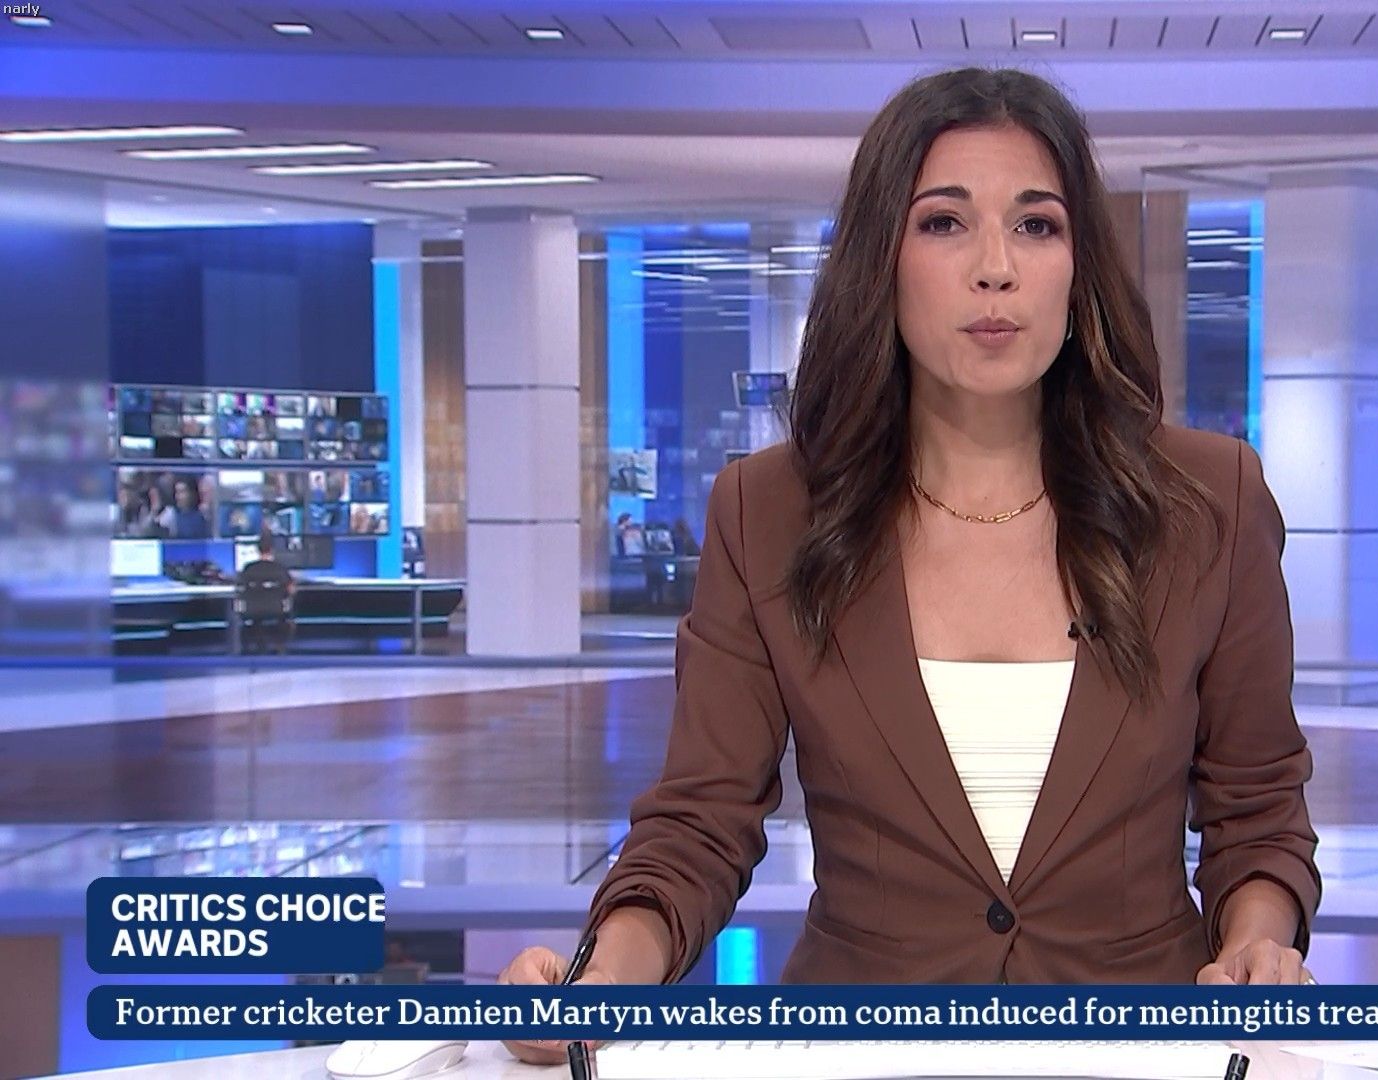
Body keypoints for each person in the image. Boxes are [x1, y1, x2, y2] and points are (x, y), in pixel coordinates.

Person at [502, 67, 1319, 1060]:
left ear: (1080, 267)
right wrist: (602, 981)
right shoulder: (768, 511)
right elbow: (700, 822)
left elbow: (1257, 813)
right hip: (857, 1049)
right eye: (944, 223)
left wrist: (1255, 947)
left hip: (1139, 1048)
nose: (994, 269)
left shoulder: (1209, 500)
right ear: (880, 258)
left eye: (1036, 225)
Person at [235, 531, 296, 654]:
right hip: (276, 608)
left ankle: (258, 646)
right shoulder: (280, 568)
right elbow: (291, 590)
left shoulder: (248, 568)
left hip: (252, 609)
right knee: (287, 618)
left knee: (255, 618)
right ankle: (280, 647)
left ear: (257, 549)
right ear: (272, 549)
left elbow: (239, 588)